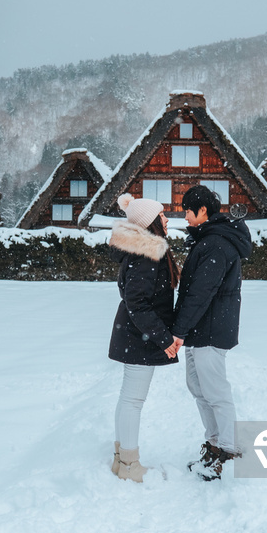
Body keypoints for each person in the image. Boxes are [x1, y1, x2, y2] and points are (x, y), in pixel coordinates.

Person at [172, 185, 252, 481]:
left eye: (188, 211)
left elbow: (201, 293)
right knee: (198, 388)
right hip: (200, 329)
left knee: (215, 391)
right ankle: (215, 443)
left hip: (210, 329)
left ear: (203, 211)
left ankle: (229, 451)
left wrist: (178, 331)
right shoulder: (207, 240)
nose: (185, 216)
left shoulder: (216, 244)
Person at [108, 193, 180, 482]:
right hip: (140, 337)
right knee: (132, 401)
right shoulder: (147, 255)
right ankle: (128, 464)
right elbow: (138, 304)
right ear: (151, 222)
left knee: (129, 398)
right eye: (161, 215)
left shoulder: (145, 251)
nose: (166, 218)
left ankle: (120, 459)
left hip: (137, 335)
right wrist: (164, 339)